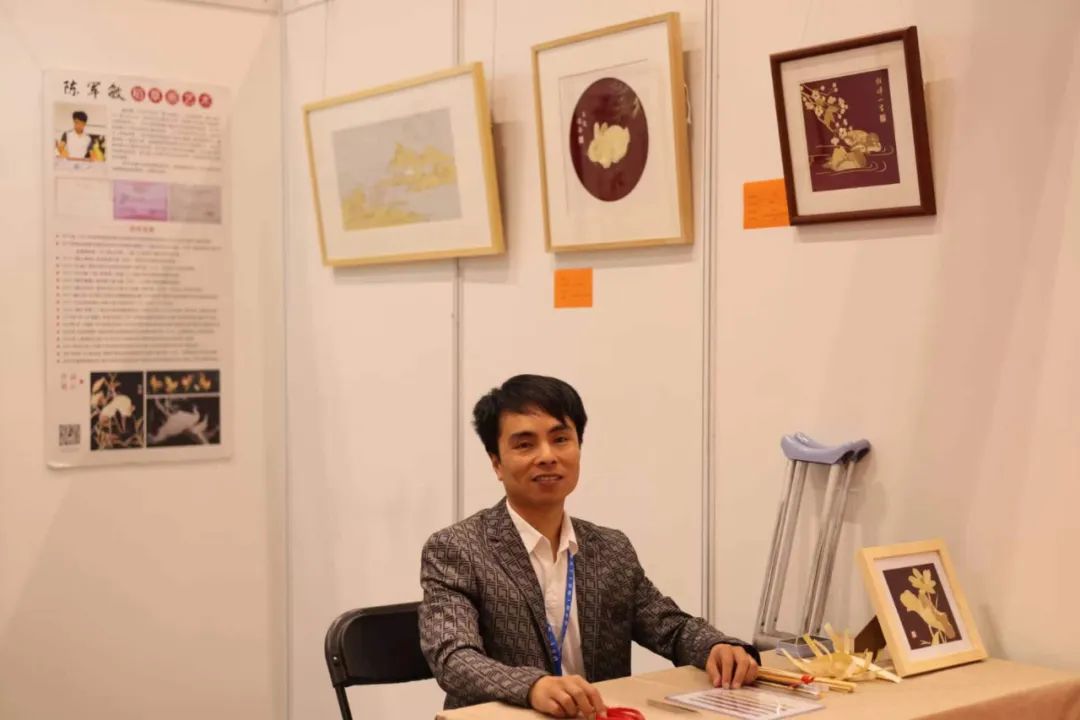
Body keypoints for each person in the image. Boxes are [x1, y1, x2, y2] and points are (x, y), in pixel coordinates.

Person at [419, 374, 759, 717]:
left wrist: (716, 646)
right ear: (496, 462)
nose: (547, 456)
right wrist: (532, 687)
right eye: (525, 445)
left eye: (560, 439)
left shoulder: (609, 548)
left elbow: (670, 628)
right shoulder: (459, 549)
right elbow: (454, 658)